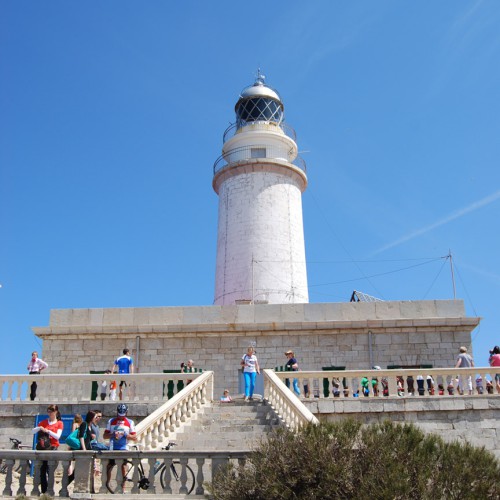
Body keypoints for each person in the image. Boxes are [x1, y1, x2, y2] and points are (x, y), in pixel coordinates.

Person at [104, 403, 137, 492]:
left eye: (123, 415)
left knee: (123, 467)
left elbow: (135, 438)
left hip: (124, 448)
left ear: (126, 413)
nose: (121, 417)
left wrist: (126, 435)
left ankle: (122, 487)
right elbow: (104, 436)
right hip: (112, 447)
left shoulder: (130, 422)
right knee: (109, 466)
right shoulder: (111, 421)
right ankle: (106, 485)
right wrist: (112, 434)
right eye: (119, 415)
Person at [33, 404, 63, 493]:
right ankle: (44, 490)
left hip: (53, 447)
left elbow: (58, 436)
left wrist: (48, 431)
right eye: (48, 411)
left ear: (56, 412)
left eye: (52, 411)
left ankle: (50, 490)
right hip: (43, 448)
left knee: (50, 470)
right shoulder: (44, 422)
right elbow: (33, 431)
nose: (50, 413)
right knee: (42, 470)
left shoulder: (59, 423)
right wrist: (39, 428)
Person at [67, 411, 99, 485]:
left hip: (88, 450)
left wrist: (91, 438)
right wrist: (84, 449)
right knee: (78, 471)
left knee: (82, 471)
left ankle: (65, 486)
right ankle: (65, 486)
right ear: (91, 418)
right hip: (83, 451)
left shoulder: (90, 426)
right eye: (95, 417)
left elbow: (86, 439)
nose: (96, 419)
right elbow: (81, 436)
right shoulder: (84, 424)